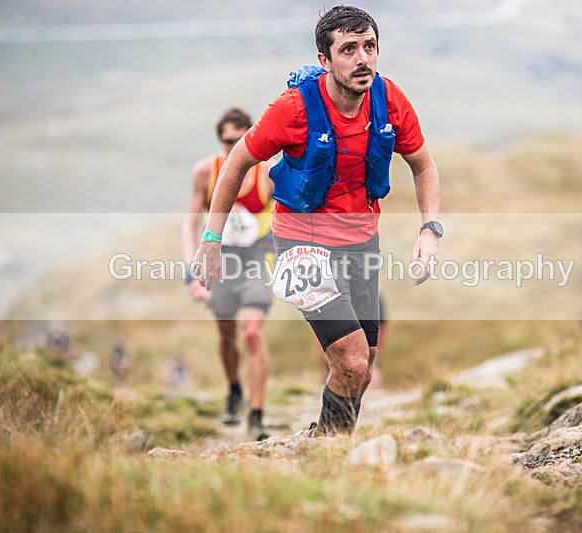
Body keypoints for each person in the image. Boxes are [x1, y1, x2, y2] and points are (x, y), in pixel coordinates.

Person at [194, 6, 442, 436]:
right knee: (350, 358)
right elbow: (236, 163)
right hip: (300, 243)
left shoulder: (391, 100)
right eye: (348, 49)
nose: (362, 58)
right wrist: (211, 237)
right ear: (325, 61)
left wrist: (429, 230)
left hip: (361, 242)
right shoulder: (293, 109)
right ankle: (329, 450)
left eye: (369, 47)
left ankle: (328, 442)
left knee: (362, 366)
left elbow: (424, 166)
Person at [182, 107, 274, 441]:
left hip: (254, 262)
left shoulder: (267, 173)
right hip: (218, 263)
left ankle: (257, 414)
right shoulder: (207, 172)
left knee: (252, 333)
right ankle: (235, 389)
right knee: (226, 336)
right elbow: (190, 223)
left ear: (251, 137)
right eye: (225, 141)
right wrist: (192, 270)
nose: (231, 147)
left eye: (238, 140)